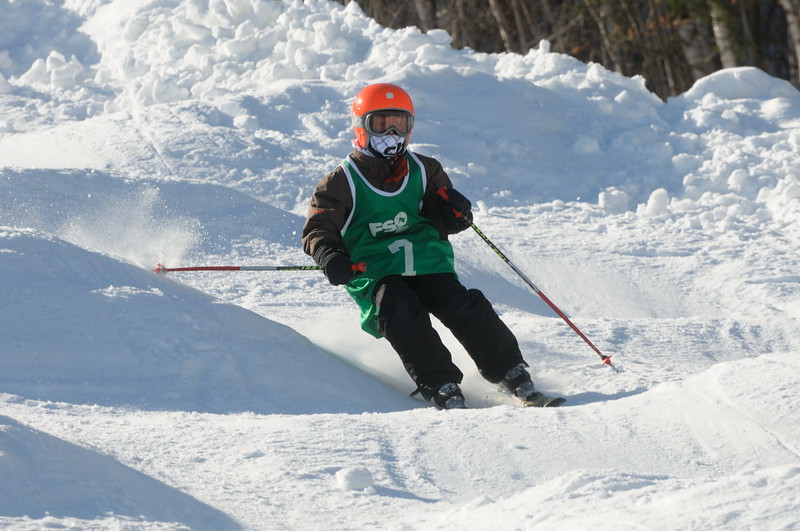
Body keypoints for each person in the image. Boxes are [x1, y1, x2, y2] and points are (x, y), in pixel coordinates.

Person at [302, 83, 541, 409]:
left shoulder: (426, 170)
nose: (391, 134)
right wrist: (330, 254)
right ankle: (440, 382)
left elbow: (441, 207)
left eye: (400, 125)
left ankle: (510, 370)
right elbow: (319, 227)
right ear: (361, 128)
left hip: (427, 261)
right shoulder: (342, 181)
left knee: (461, 304)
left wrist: (453, 214)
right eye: (381, 124)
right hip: (377, 270)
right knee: (399, 308)